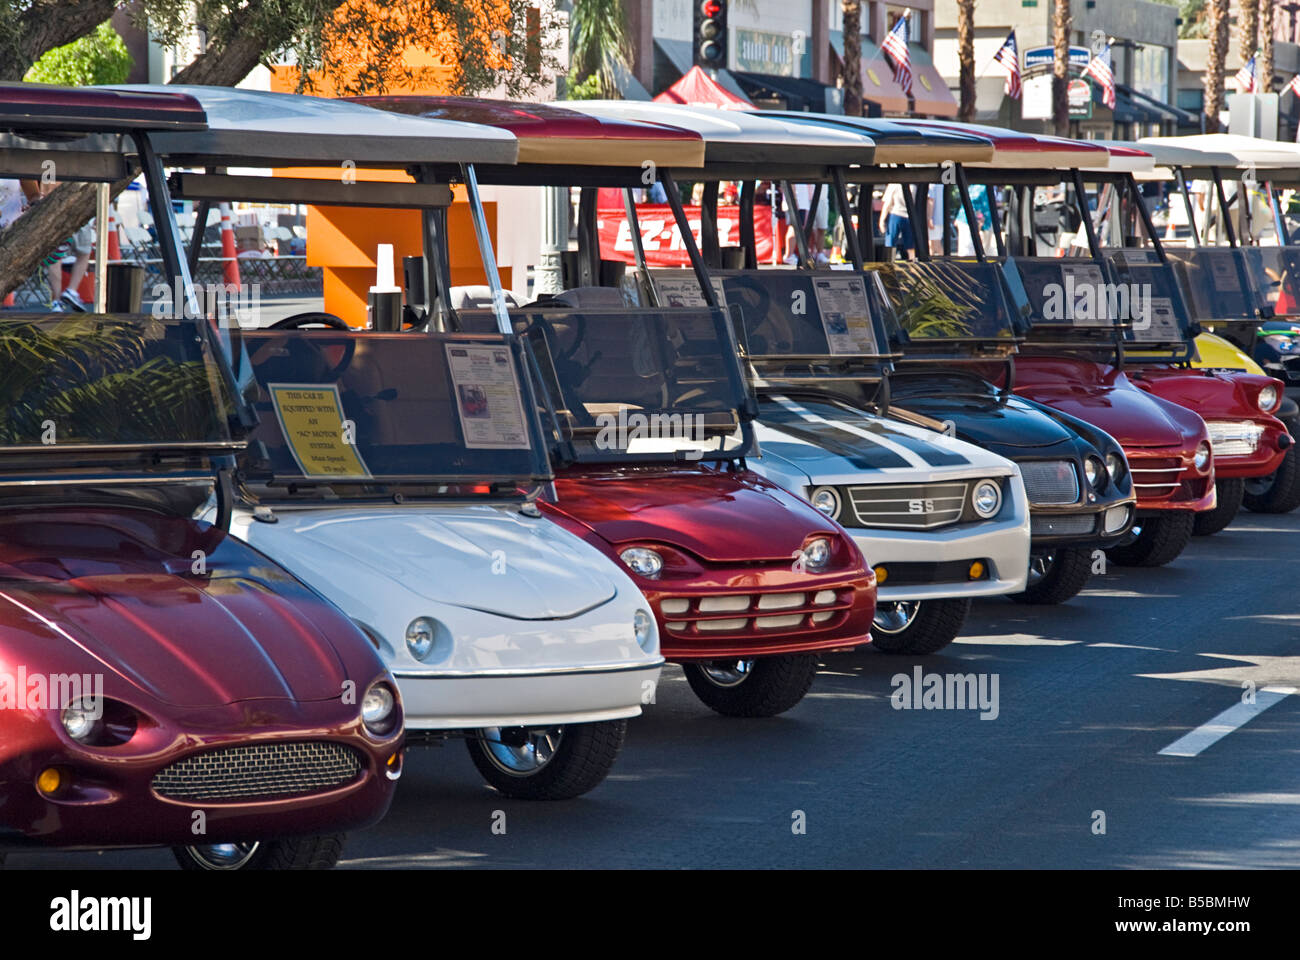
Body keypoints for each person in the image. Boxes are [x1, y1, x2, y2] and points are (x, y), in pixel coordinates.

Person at [879, 181, 913, 259]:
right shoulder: (913, 185)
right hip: (909, 216)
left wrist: (882, 220)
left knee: (890, 243)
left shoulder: (893, 184)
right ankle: (913, 263)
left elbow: (888, 203)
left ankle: (889, 262)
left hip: (896, 214)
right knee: (910, 245)